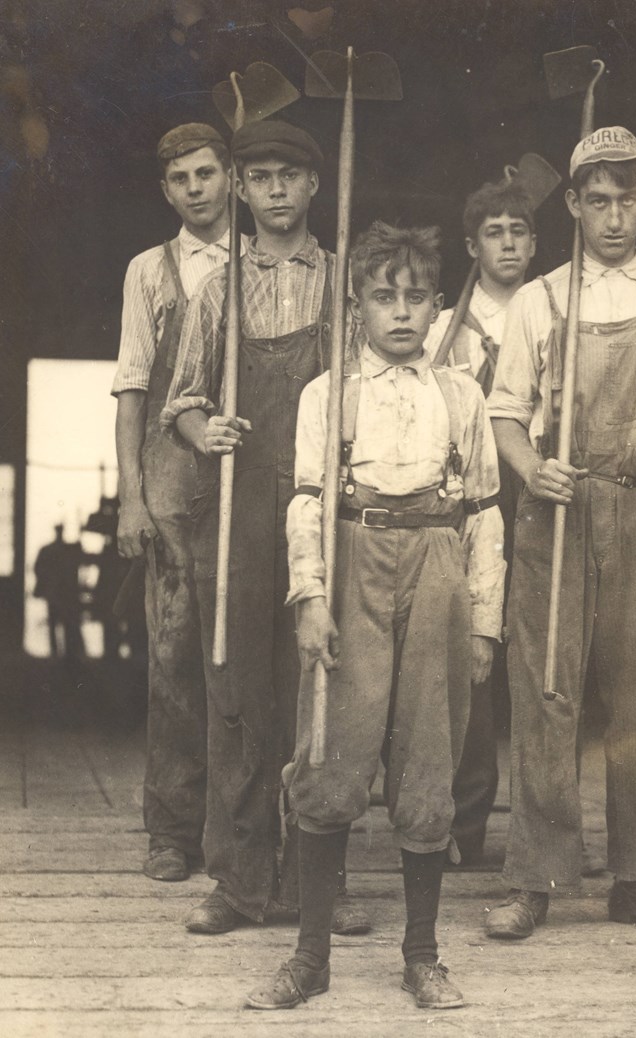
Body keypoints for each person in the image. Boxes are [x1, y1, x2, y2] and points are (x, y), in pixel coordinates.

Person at [246, 222, 504, 1011]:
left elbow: (487, 514)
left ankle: (422, 955)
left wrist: (486, 621)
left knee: (429, 761)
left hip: (437, 568)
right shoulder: (330, 393)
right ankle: (310, 956)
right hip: (353, 558)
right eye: (382, 296)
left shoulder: (462, 395)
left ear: (436, 307)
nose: (400, 312)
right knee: (329, 756)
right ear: (355, 304)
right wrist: (310, 597)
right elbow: (307, 503)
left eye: (415, 297)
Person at [485, 126, 636, 939]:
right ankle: (536, 878)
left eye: (628, 199)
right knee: (546, 688)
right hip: (559, 506)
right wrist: (529, 470)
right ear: (575, 205)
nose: (614, 218)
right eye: (598, 202)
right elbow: (506, 414)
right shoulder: (540, 300)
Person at [162, 119, 368, 936]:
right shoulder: (218, 289)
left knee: (322, 688)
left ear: (315, 185)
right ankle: (240, 882)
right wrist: (202, 430)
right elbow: (182, 400)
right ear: (240, 192)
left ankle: (323, 882)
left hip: (320, 498)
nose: (277, 189)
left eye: (291, 174)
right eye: (262, 177)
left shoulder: (343, 280)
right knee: (239, 689)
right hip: (241, 507)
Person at [112, 122, 228, 883]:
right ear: (166, 190)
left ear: (230, 178)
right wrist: (130, 495)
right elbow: (130, 390)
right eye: (181, 177)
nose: (195, 187)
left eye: (207, 173)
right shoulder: (148, 270)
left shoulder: (262, 262)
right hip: (168, 472)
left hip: (244, 466)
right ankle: (174, 831)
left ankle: (240, 828)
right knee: (174, 655)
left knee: (246, 652)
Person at [426, 177, 538, 864]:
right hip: (468, 497)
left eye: (519, 231)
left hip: (535, 489)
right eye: (493, 232)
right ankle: (460, 826)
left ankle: (534, 830)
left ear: (534, 242)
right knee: (465, 651)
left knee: (531, 658)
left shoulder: (559, 307)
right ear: (473, 245)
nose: (507, 243)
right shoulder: (441, 326)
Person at [33, 523, 85, 663]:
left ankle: (60, 652)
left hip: (59, 593)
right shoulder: (64, 550)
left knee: (60, 622)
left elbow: (38, 568)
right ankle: (60, 653)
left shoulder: (52, 549)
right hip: (58, 593)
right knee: (58, 622)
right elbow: (39, 568)